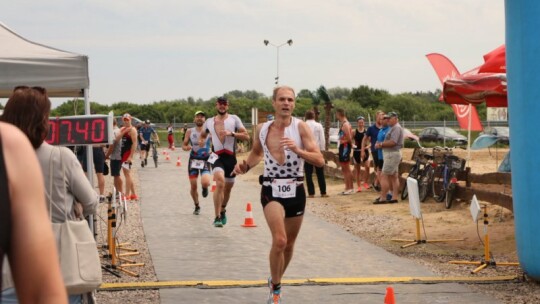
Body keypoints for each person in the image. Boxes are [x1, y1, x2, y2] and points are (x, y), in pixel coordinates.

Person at [1, 86, 98, 304]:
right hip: (58, 266)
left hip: (6, 273)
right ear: (43, 121)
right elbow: (91, 202)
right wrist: (77, 205)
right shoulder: (61, 157)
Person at [233, 86, 324, 304]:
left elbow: (319, 160)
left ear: (294, 104)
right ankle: (276, 292)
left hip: (296, 188)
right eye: (282, 99)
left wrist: (298, 150)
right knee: (280, 240)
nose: (286, 103)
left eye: (290, 100)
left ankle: (275, 281)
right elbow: (256, 153)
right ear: (273, 102)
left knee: (290, 244)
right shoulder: (263, 129)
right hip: (272, 188)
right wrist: (245, 166)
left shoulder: (301, 128)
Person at [199, 96, 250, 227]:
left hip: (230, 158)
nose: (222, 106)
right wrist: (202, 143)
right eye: (220, 104)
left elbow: (247, 136)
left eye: (225, 104)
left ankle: (223, 209)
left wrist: (231, 133)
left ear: (228, 106)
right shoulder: (209, 121)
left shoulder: (234, 119)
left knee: (227, 189)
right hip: (216, 157)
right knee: (219, 182)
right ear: (216, 105)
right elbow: (203, 135)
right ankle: (216, 217)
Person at [182, 111, 212, 215]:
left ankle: (205, 188)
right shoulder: (190, 131)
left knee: (206, 182)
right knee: (193, 186)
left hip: (206, 159)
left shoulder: (210, 131)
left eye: (202, 117)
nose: (199, 118)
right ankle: (197, 205)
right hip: (193, 160)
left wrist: (213, 151)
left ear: (205, 119)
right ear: (194, 119)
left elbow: (217, 144)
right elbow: (184, 145)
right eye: (197, 117)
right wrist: (186, 148)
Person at [374, 112, 404, 204]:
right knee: (394, 176)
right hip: (392, 153)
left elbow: (393, 142)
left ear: (395, 118)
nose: (388, 120)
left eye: (389, 118)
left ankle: (383, 197)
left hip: (392, 153)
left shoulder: (396, 128)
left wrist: (381, 144)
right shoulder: (394, 128)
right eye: (387, 118)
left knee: (384, 175)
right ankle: (394, 197)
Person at [303, 110, 327, 198]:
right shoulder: (318, 125)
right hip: (317, 151)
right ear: (314, 116)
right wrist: (322, 151)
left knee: (308, 174)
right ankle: (323, 192)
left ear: (306, 116)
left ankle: (311, 193)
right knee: (320, 173)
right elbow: (322, 139)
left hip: (307, 152)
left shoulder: (303, 125)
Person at [116, 113, 138, 200]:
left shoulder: (133, 130)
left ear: (130, 120)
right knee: (126, 174)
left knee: (127, 174)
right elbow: (117, 138)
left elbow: (134, 143)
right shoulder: (122, 128)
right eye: (124, 120)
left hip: (127, 154)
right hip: (122, 153)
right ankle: (133, 194)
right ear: (122, 120)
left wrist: (131, 156)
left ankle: (127, 194)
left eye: (127, 120)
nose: (126, 121)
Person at [363, 110, 384, 191]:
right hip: (375, 150)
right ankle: (381, 184)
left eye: (382, 117)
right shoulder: (371, 128)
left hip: (383, 150)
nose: (381, 119)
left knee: (380, 168)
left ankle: (376, 183)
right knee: (379, 168)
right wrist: (363, 149)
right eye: (379, 117)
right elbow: (364, 139)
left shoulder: (384, 128)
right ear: (376, 118)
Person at [336, 108, 354, 195]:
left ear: (339, 114)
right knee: (344, 168)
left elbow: (349, 137)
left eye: (336, 114)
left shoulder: (346, 124)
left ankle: (350, 187)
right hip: (342, 146)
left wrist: (351, 145)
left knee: (347, 168)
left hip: (345, 147)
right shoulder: (343, 123)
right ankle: (347, 187)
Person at [105, 119, 124, 196]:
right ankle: (117, 192)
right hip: (119, 155)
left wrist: (106, 155)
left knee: (116, 175)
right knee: (116, 175)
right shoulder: (118, 130)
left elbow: (112, 146)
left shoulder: (113, 132)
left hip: (116, 156)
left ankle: (120, 193)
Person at [353, 116, 370, 192]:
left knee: (367, 166)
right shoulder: (354, 131)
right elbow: (350, 140)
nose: (361, 124)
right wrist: (352, 145)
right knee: (358, 169)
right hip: (357, 151)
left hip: (365, 151)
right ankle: (359, 186)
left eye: (362, 122)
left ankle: (365, 182)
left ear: (364, 123)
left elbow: (371, 141)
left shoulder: (366, 132)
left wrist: (368, 146)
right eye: (359, 123)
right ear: (357, 123)